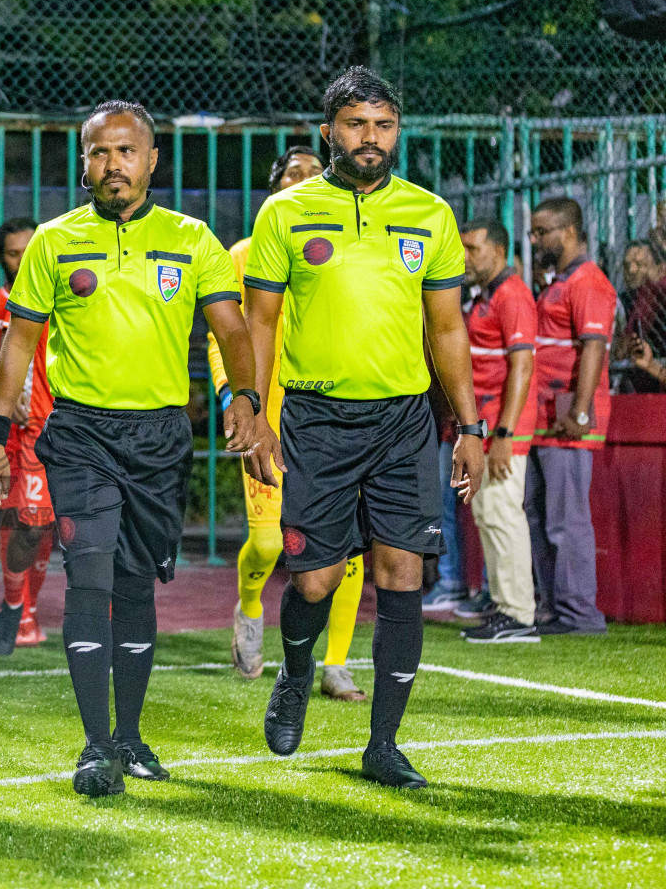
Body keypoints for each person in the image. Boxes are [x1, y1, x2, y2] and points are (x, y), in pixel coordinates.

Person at [0, 100, 274, 797]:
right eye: (100, 153)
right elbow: (18, 346)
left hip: (159, 436)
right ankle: (92, 746)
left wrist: (246, 399)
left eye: (127, 152)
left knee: (138, 582)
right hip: (81, 433)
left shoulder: (192, 239)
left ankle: (130, 737)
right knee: (90, 574)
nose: (114, 165)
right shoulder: (53, 242)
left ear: (151, 160)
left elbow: (234, 333)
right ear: (83, 163)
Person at [244, 66, 483, 790]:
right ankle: (293, 675)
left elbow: (446, 329)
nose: (370, 139)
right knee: (314, 580)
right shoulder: (285, 214)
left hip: (404, 421)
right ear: (329, 132)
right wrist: (252, 412)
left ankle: (383, 744)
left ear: (397, 131)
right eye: (355, 124)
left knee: (400, 572)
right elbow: (259, 320)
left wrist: (470, 424)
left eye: (382, 125)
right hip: (316, 419)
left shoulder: (430, 214)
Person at [210, 147, 368, 701]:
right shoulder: (245, 253)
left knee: (348, 548)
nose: (303, 183)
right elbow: (223, 338)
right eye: (291, 175)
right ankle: (250, 606)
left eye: (311, 174)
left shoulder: (343, 248)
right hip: (268, 416)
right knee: (269, 541)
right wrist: (235, 396)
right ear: (273, 188)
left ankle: (337, 663)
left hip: (332, 420)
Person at [526, 197, 613, 636]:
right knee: (539, 516)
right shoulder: (559, 281)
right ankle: (553, 608)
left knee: (565, 519)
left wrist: (581, 410)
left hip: (569, 420)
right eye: (533, 233)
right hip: (545, 419)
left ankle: (580, 615)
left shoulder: (588, 281)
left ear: (571, 231)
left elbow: (594, 346)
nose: (535, 240)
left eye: (543, 232)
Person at [0, 217, 58, 654]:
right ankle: (16, 607)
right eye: (13, 252)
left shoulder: (63, 301)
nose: (23, 259)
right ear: (1, 259)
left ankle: (26, 606)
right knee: (20, 521)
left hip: (57, 429)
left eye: (31, 250)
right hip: (10, 434)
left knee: (45, 526)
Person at [458, 219, 540, 643]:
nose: (466, 256)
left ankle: (519, 614)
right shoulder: (487, 295)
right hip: (491, 424)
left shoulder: (513, 295)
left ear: (499, 250)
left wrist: (506, 433)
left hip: (506, 426)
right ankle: (505, 604)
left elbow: (522, 367)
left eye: (473, 248)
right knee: (488, 512)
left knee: (503, 512)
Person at [618, 239, 666, 393]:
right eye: (627, 265)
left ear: (661, 268)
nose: (632, 270)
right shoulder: (623, 302)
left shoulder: (657, 299)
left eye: (640, 265)